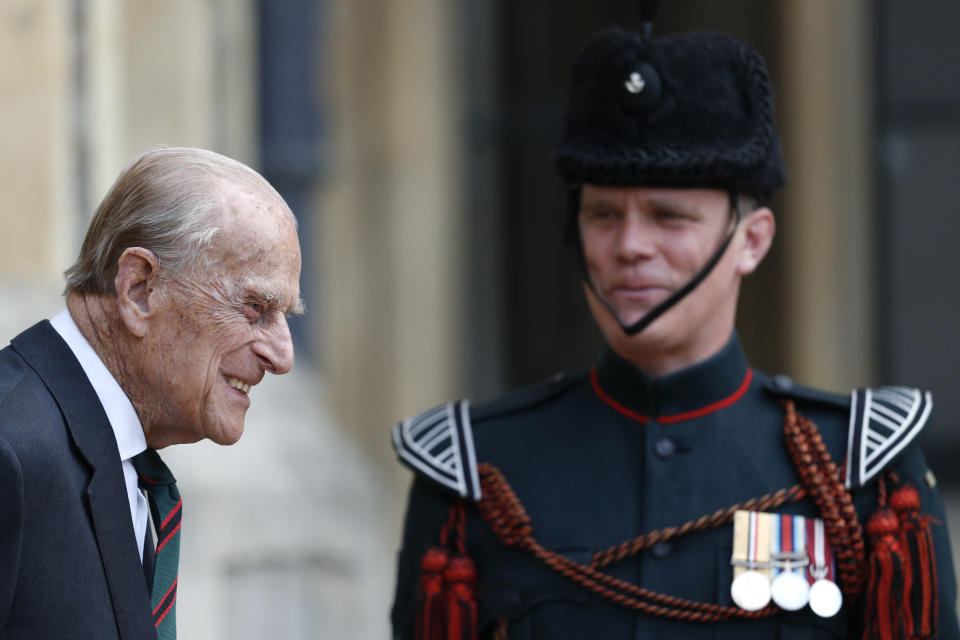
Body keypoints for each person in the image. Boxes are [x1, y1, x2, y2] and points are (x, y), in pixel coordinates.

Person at [390, 24, 960, 640]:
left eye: (669, 216)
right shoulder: (475, 471)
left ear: (754, 240)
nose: (630, 246)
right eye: (603, 214)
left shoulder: (863, 468)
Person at [0, 147, 303, 639]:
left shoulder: (122, 463)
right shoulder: (11, 449)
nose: (282, 356)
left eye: (287, 316)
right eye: (255, 307)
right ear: (139, 289)